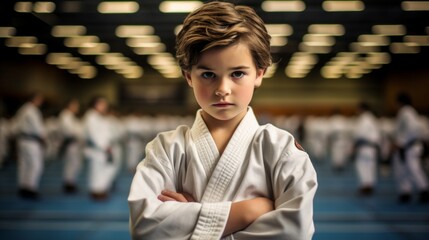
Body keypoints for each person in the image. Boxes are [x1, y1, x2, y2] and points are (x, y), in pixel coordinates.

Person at [128, 2, 318, 239]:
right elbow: (145, 227)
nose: (222, 89)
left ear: (259, 73)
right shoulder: (166, 150)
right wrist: (248, 211)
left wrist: (189, 218)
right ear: (188, 76)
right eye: (208, 74)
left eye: (237, 73)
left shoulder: (281, 150)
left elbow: (295, 231)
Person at [393, 92, 429, 203]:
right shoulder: (407, 112)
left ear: (400, 101)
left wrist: (402, 142)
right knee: (403, 170)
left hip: (410, 145)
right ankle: (405, 192)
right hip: (408, 145)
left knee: (413, 169)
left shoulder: (407, 112)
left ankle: (424, 189)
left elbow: (413, 129)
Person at [83, 96, 116, 200]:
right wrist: (104, 146)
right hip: (97, 149)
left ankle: (100, 190)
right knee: (97, 171)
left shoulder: (98, 117)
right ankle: (96, 191)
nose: (105, 106)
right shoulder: (91, 116)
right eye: (103, 104)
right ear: (96, 104)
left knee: (104, 170)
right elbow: (93, 135)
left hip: (103, 148)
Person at [14, 93, 46, 200]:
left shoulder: (22, 109)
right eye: (40, 99)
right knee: (35, 165)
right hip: (32, 141)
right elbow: (38, 128)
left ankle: (23, 186)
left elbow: (15, 125)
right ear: (35, 99)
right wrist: (43, 138)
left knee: (24, 165)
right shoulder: (33, 110)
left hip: (22, 140)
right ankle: (31, 187)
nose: (41, 102)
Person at [353, 102, 381, 196]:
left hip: (364, 146)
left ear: (361, 109)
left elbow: (360, 134)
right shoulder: (372, 118)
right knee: (370, 166)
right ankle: (370, 185)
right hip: (373, 147)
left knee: (361, 165)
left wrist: (354, 145)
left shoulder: (364, 119)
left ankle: (365, 185)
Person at [58, 99, 83, 193]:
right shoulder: (65, 115)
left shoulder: (71, 116)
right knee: (71, 164)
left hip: (74, 143)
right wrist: (79, 134)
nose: (77, 108)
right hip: (71, 143)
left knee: (74, 164)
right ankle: (68, 183)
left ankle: (71, 182)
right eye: (76, 106)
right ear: (70, 105)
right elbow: (70, 131)